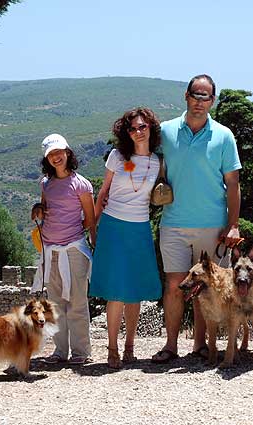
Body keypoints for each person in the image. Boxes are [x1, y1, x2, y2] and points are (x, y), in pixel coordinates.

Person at [151, 74, 242, 363]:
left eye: (206, 97)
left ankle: (202, 345)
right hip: (173, 223)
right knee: (175, 285)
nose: (200, 101)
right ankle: (170, 345)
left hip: (213, 225)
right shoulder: (165, 132)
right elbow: (143, 159)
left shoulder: (224, 136)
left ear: (212, 101)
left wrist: (234, 224)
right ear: (186, 96)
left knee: (207, 287)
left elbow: (233, 183)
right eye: (196, 95)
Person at [89, 107, 162, 369]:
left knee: (135, 293)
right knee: (116, 291)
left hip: (140, 228)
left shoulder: (157, 161)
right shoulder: (117, 157)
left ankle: (130, 346)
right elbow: (102, 193)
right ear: (125, 132)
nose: (138, 132)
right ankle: (112, 348)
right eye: (132, 128)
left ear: (151, 128)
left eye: (142, 127)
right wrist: (93, 228)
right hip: (113, 226)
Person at [31, 133, 96, 365]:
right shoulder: (45, 184)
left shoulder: (82, 184)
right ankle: (60, 352)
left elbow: (90, 218)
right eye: (51, 154)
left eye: (59, 152)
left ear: (68, 153)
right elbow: (45, 208)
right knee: (56, 303)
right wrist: (38, 210)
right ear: (46, 159)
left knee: (77, 301)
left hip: (73, 250)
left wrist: (93, 244)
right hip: (51, 250)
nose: (56, 157)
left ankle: (81, 352)